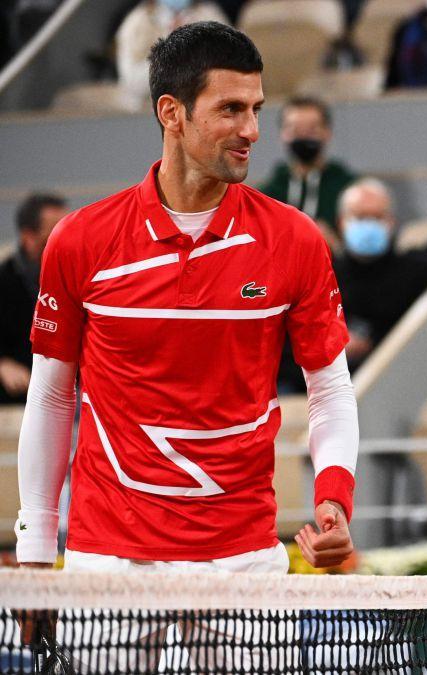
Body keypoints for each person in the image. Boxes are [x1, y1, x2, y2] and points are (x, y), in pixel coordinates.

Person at [15, 21, 358, 669]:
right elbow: (54, 392)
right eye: (230, 109)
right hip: (108, 558)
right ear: (170, 113)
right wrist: (35, 546)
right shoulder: (81, 240)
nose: (253, 130)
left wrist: (335, 496)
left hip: (244, 557)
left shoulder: (295, 240)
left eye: (257, 109)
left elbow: (331, 387)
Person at [333, 178, 427, 372]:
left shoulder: (417, 272)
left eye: (378, 217)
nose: (369, 225)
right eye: (361, 217)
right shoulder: (320, 277)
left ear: (391, 222)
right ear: (341, 222)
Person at [258, 96, 356, 249]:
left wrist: (336, 245)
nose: (303, 137)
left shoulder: (350, 190)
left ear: (327, 133)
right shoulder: (266, 195)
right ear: (282, 134)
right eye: (295, 130)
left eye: (312, 130)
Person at [0, 192, 66, 404]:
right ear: (28, 237)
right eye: (55, 233)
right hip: (23, 396)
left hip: (69, 392)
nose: (67, 240)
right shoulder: (5, 280)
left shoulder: (77, 278)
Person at [115, 0, 228, 106]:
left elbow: (230, 69)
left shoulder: (209, 15)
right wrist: (171, 47)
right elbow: (132, 83)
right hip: (148, 112)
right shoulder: (138, 21)